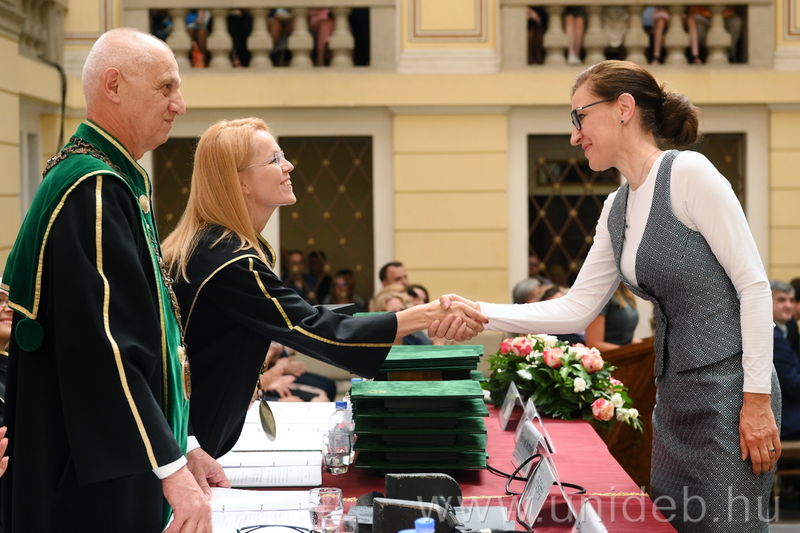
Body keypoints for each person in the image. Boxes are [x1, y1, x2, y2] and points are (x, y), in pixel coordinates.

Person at [433, 60, 781, 532]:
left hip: (731, 396)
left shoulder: (688, 173)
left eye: (580, 117)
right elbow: (576, 308)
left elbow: (754, 288)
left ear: (624, 108)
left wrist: (757, 401)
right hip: (672, 400)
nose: (574, 135)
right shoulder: (616, 207)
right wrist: (480, 313)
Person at [161, 118, 485, 460]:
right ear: (239, 181)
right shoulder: (230, 260)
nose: (288, 165)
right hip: (185, 449)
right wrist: (427, 314)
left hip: (186, 442)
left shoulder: (213, 248)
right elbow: (319, 330)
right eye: (274, 159)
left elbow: (304, 319)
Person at [0, 28, 213, 532]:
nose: (179, 104)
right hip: (95, 481)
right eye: (166, 87)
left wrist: (182, 444)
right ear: (113, 85)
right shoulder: (93, 187)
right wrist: (171, 469)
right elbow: (109, 347)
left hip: (114, 459)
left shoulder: (105, 177)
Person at [584, 282, 642, 352]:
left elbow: (621, 337)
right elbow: (594, 344)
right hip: (611, 357)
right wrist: (628, 351)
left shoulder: (623, 289)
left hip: (623, 353)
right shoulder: (599, 294)